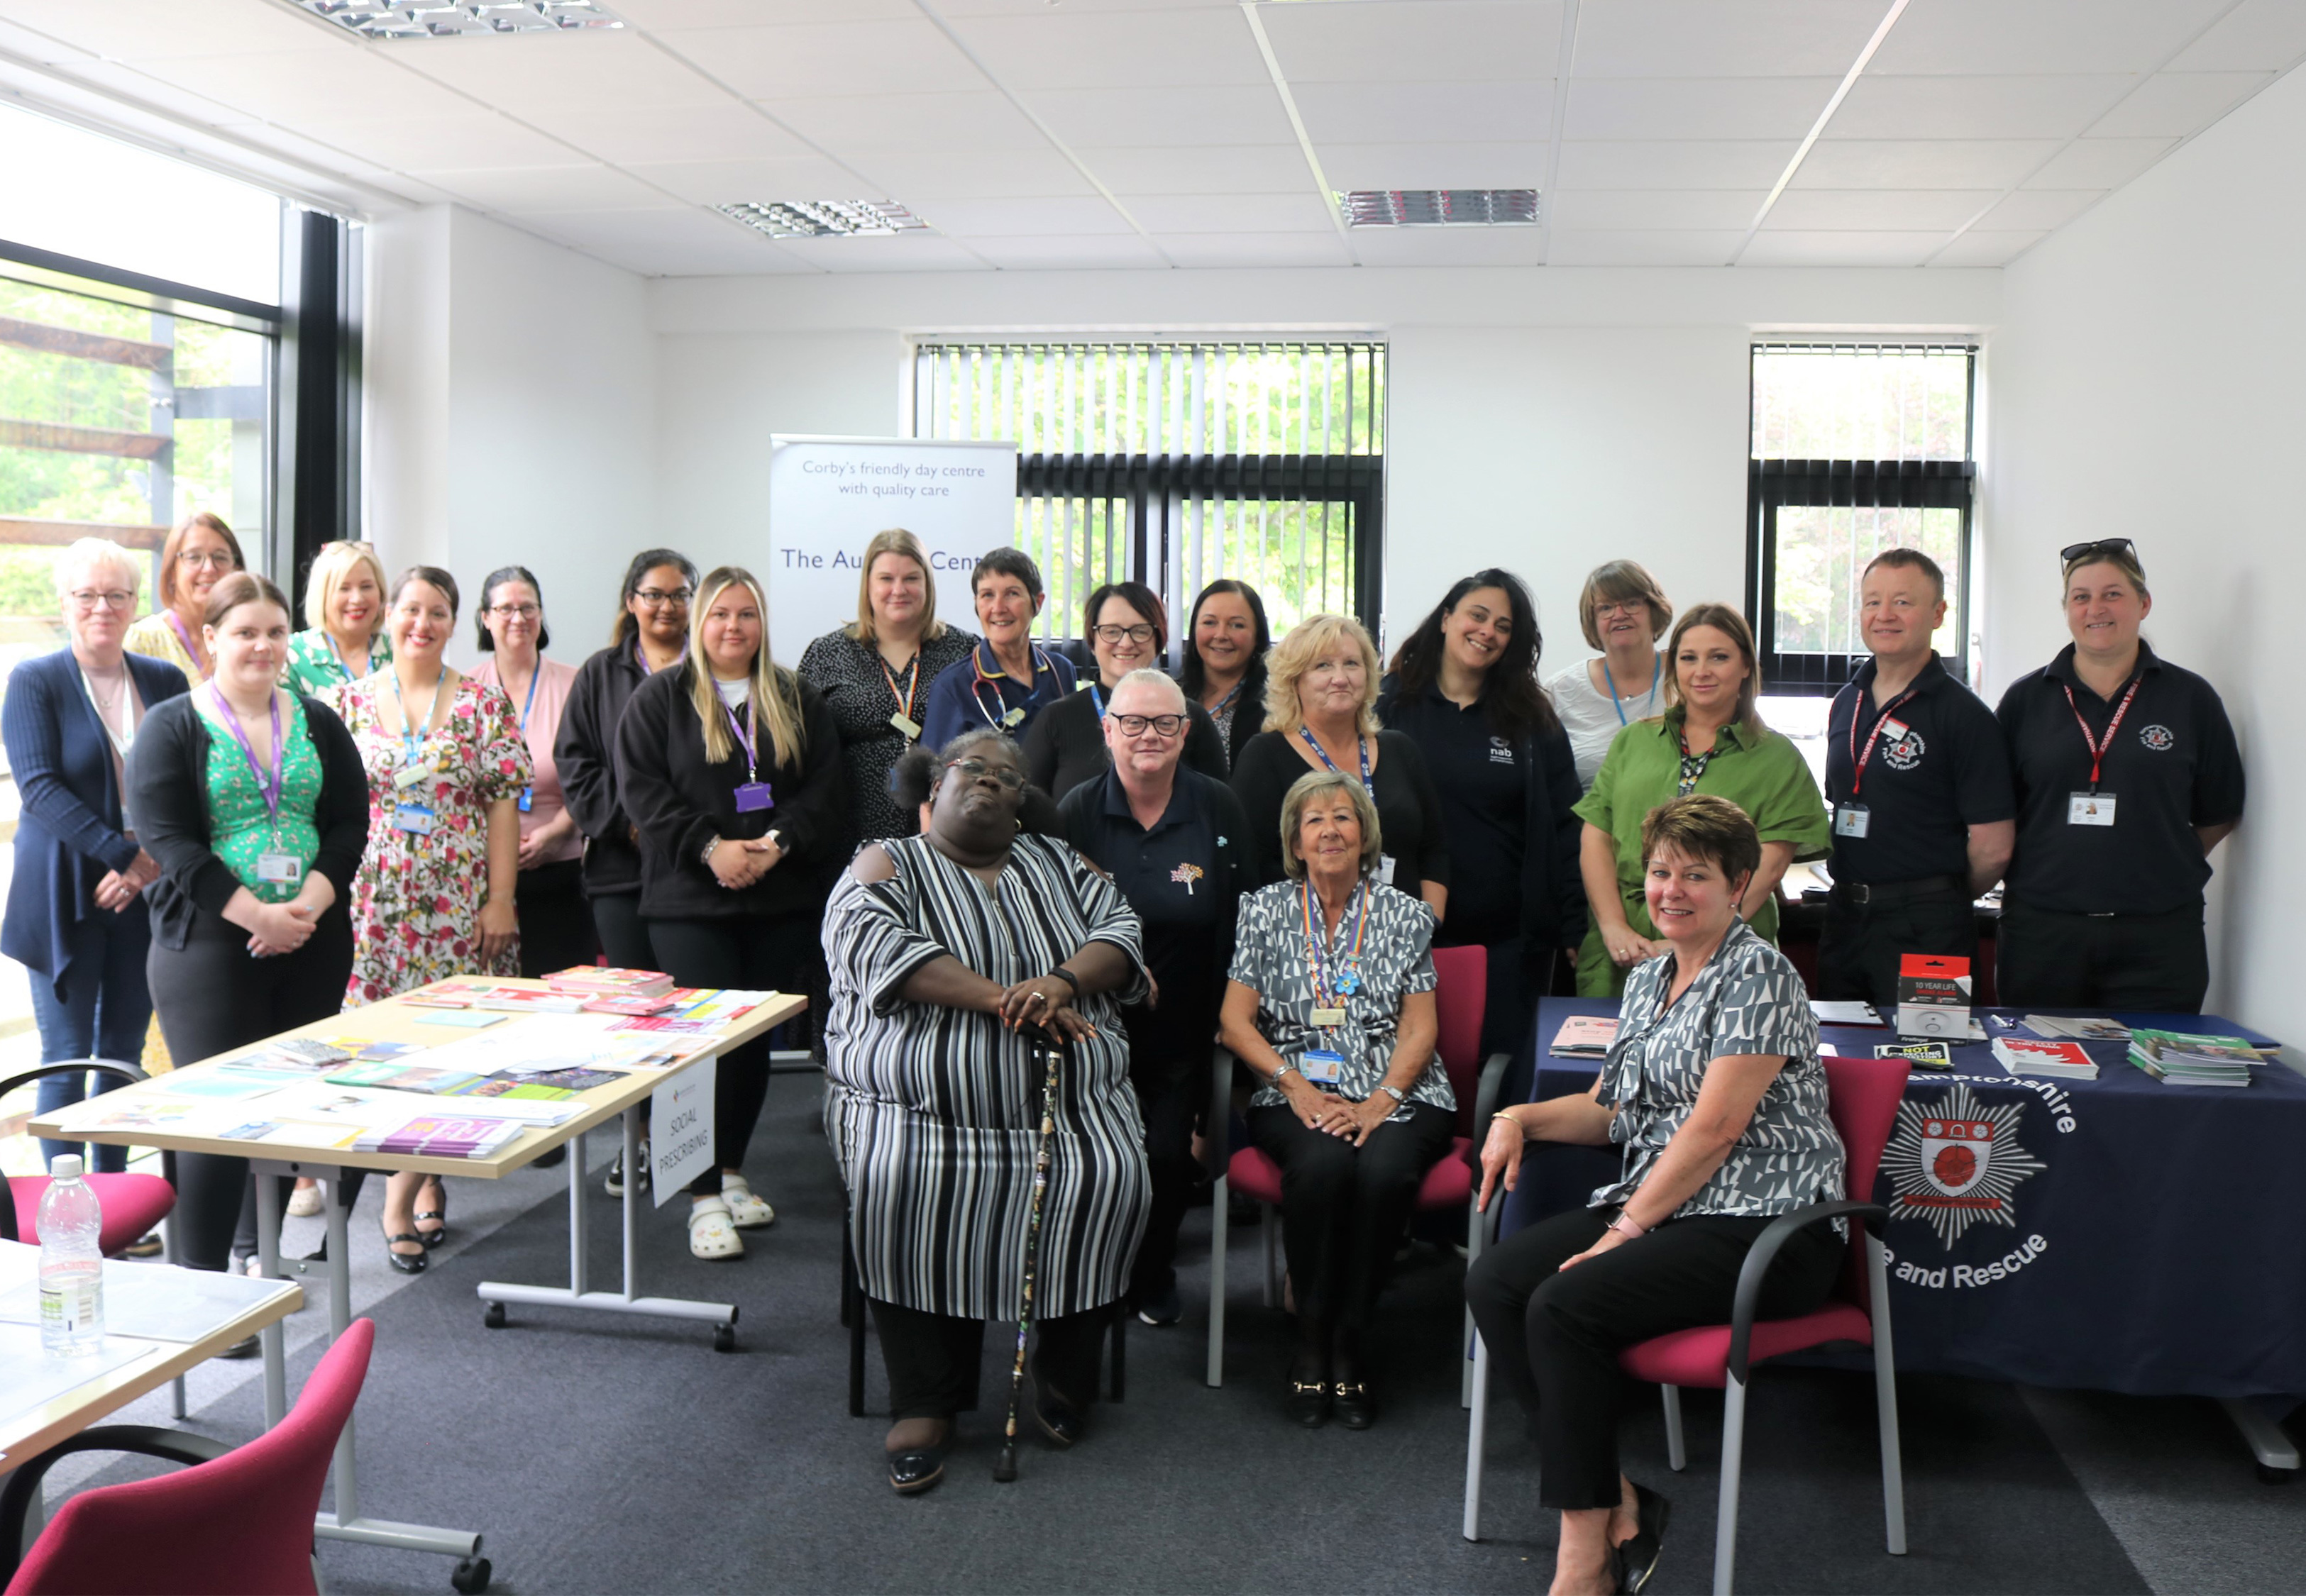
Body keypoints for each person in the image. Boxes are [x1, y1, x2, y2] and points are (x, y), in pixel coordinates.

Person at [1466, 795, 1848, 1596]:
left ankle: (1583, 1565)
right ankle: (1618, 1500)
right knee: (1495, 1281)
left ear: (1740, 884)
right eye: (1660, 872)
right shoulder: (1648, 980)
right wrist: (1517, 1115)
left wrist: (1624, 1230)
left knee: (1563, 1304)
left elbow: (1712, 1132)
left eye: (1695, 875)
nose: (1670, 890)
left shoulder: (1762, 976)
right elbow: (1612, 1110)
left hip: (1768, 1223)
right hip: (1671, 1203)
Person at [824, 730, 1149, 1494]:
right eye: (975, 768)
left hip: (1072, 1108)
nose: (994, 783)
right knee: (897, 1182)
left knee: (1114, 1176)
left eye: (1010, 779)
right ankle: (927, 1401)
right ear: (930, 785)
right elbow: (873, 946)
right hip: (916, 1109)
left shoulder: (1060, 864)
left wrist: (1062, 982)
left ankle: (1064, 1374)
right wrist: (1011, 1001)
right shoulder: (885, 862)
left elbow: (1121, 929)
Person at [126, 573, 368, 1278]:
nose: (261, 646)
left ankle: (257, 1254)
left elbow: (350, 822)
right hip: (207, 946)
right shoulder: (171, 724)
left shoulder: (317, 719)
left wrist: (307, 909)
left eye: (273, 632)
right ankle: (202, 1285)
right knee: (217, 1122)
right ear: (210, 639)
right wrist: (258, 914)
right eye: (243, 633)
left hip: (313, 939)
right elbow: (168, 840)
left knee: (290, 1110)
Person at [617, 566, 844, 1260]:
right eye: (720, 615)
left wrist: (776, 844)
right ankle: (700, 1194)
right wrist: (711, 848)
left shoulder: (793, 695)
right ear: (698, 623)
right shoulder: (661, 699)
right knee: (699, 1051)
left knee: (752, 1048)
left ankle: (734, 1170)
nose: (733, 628)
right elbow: (642, 792)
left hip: (776, 897)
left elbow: (824, 786)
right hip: (691, 902)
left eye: (745, 615)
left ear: (761, 622)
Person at [1219, 770, 1454, 1430]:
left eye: (1344, 817)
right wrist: (1296, 1090)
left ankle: (1352, 1342)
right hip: (1295, 1087)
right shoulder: (1262, 909)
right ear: (1295, 841)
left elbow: (1421, 1027)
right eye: (1314, 819)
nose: (1330, 829)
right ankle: (1311, 1339)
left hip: (1400, 1088)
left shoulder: (1406, 914)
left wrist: (1381, 1100)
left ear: (1366, 835)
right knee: (1321, 1168)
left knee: (1383, 1172)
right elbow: (1235, 1024)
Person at [338, 566, 529, 1272]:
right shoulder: (347, 703)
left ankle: (398, 1198)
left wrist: (501, 898)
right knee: (387, 1059)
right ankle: (423, 1177)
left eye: (438, 612)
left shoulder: (481, 704)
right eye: (411, 609)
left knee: (453, 1057)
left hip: (455, 908)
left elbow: (504, 802)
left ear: (458, 623)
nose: (423, 623)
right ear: (388, 615)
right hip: (370, 910)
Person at [1057, 669, 1253, 1327]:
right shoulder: (1077, 811)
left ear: (1185, 732)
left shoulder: (1218, 806)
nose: (1149, 735)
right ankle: (1093, 1269)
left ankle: (1153, 1267)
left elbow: (1244, 916)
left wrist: (1237, 1016)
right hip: (1094, 1027)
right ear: (1108, 731)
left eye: (1165, 723)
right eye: (1133, 723)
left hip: (1187, 1027)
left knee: (1167, 1158)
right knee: (1099, 1157)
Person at [1993, 539, 2243, 1012]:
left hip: (2159, 936)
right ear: (2067, 609)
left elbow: (2219, 810)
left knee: (2154, 1078)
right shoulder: (2025, 701)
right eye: (2081, 597)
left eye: (2113, 594)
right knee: (2040, 1076)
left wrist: (2158, 860)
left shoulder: (2191, 699)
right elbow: (1995, 811)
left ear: (2144, 604)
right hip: (2043, 933)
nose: (2096, 609)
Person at [3, 540, 189, 1172]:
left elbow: (184, 782)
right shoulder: (35, 680)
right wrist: (123, 856)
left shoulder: (163, 680)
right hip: (63, 894)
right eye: (86, 595)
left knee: (122, 1053)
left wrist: (150, 865)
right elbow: (39, 787)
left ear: (136, 603)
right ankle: (66, 1215)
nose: (101, 607)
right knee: (65, 1056)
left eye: (116, 595)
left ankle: (111, 1205)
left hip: (144, 892)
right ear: (64, 603)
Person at [1378, 570, 1584, 1070]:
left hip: (1507, 942)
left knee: (1497, 1076)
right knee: (1405, 1071)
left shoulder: (1532, 720)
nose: (1488, 631)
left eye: (1504, 625)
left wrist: (1576, 926)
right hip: (1400, 935)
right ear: (1447, 618)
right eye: (1477, 615)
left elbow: (1567, 824)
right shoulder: (1388, 706)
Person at [1574, 604, 1828, 998]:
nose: (1702, 671)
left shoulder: (1777, 757)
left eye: (1719, 657)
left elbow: (1770, 866)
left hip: (1729, 957)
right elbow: (1596, 838)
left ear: (1746, 666)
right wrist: (1612, 926)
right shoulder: (1633, 742)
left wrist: (1700, 943)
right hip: (1627, 949)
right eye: (1688, 658)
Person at [1819, 550, 2014, 1010]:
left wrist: (1936, 897)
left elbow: (1994, 848)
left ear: (1938, 614)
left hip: (1928, 926)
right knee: (1841, 1056)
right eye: (1872, 602)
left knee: (1933, 1060)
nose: (1884, 615)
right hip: (1846, 916)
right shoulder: (1847, 701)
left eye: (1902, 602)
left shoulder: (1964, 715)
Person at [1230, 612, 1448, 914]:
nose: (1341, 678)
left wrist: (1426, 925)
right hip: (1308, 948)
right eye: (1323, 666)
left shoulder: (1400, 749)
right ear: (1294, 680)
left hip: (1402, 946)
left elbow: (1434, 850)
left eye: (1351, 664)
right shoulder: (1265, 756)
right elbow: (1253, 864)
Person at [556, 549, 697, 975]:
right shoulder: (599, 673)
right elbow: (575, 762)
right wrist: (631, 823)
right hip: (620, 869)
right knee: (635, 1007)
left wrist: (682, 831)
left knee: (696, 1006)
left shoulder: (715, 673)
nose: (667, 607)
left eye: (680, 595)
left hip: (694, 869)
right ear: (631, 601)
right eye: (654, 595)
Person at [797, 528, 978, 853]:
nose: (899, 590)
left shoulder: (965, 651)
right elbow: (799, 746)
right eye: (885, 579)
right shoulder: (827, 653)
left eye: (911, 578)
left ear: (927, 584)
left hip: (946, 826)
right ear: (868, 585)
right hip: (848, 827)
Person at [470, 565, 595, 980]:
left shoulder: (577, 684)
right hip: (485, 877)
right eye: (505, 608)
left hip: (561, 870)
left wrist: (556, 832)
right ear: (485, 618)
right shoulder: (465, 691)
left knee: (563, 997)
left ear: (541, 616)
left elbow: (596, 774)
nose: (518, 618)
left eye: (528, 608)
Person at [1025, 580, 1229, 802]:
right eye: (1111, 631)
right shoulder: (1056, 718)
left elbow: (1218, 807)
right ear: (1093, 641)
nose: (1126, 643)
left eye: (1140, 631)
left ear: (1158, 639)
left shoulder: (1190, 716)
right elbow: (1028, 810)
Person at [917, 548, 1076, 750]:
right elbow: (938, 774)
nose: (998, 608)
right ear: (976, 604)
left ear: (1038, 602)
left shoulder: (1061, 671)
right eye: (987, 595)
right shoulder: (953, 686)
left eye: (1012, 594)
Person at [1545, 561, 1675, 791]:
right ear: (1592, 621)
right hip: (1587, 826)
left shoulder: (1686, 676)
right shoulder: (1560, 691)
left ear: (1654, 611)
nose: (1619, 615)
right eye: (1606, 608)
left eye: (1632, 603)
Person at [123, 511, 243, 682]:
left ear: (236, 569)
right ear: (172, 572)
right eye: (194, 557)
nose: (209, 568)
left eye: (220, 557)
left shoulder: (250, 638)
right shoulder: (145, 642)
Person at [281, 539, 392, 704]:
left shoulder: (397, 651)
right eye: (344, 588)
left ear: (381, 593)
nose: (357, 599)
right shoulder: (293, 655)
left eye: (366, 587)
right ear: (322, 595)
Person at [1180, 578, 1272, 772]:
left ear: (1257, 635)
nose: (1221, 635)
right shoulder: (1170, 696)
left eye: (1237, 625)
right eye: (1210, 622)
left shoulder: (1276, 705)